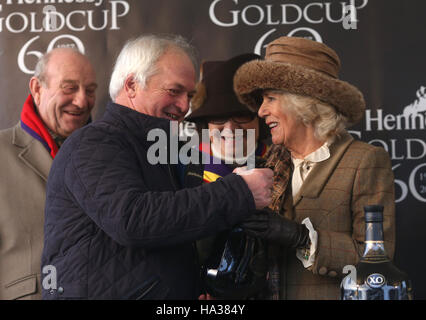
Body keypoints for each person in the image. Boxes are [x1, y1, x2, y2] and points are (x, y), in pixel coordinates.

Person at [41, 34, 273, 300]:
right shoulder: (94, 142)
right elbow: (132, 220)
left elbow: (174, 232)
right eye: (174, 91)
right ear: (131, 85)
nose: (185, 106)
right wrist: (239, 192)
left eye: (190, 95)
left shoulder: (163, 150)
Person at [233, 36, 396, 299]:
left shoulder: (365, 161)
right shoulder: (265, 166)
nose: (261, 111)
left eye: (270, 99)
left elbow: (377, 258)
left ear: (305, 101)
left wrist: (301, 237)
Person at [0, 48, 97, 300]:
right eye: (69, 87)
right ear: (37, 88)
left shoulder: (110, 155)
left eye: (91, 90)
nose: (82, 101)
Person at [184, 53, 274, 299]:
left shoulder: (286, 165)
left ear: (261, 120)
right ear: (206, 124)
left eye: (242, 115)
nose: (231, 128)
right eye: (219, 117)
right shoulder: (182, 169)